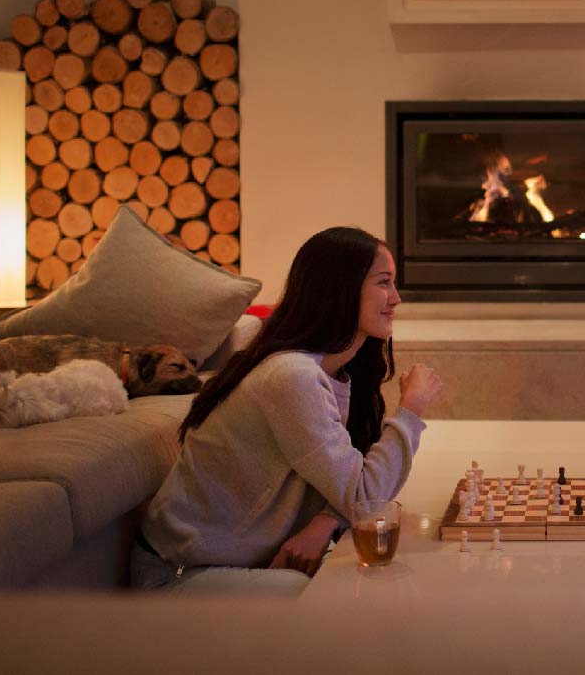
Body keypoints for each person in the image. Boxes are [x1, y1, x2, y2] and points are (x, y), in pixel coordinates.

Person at [131, 227, 446, 594]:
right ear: (340, 289)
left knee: (375, 580)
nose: (396, 298)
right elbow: (365, 499)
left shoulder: (332, 373)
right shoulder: (292, 376)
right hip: (180, 573)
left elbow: (352, 484)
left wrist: (326, 520)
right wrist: (412, 409)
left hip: (231, 563)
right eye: (383, 283)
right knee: (340, 594)